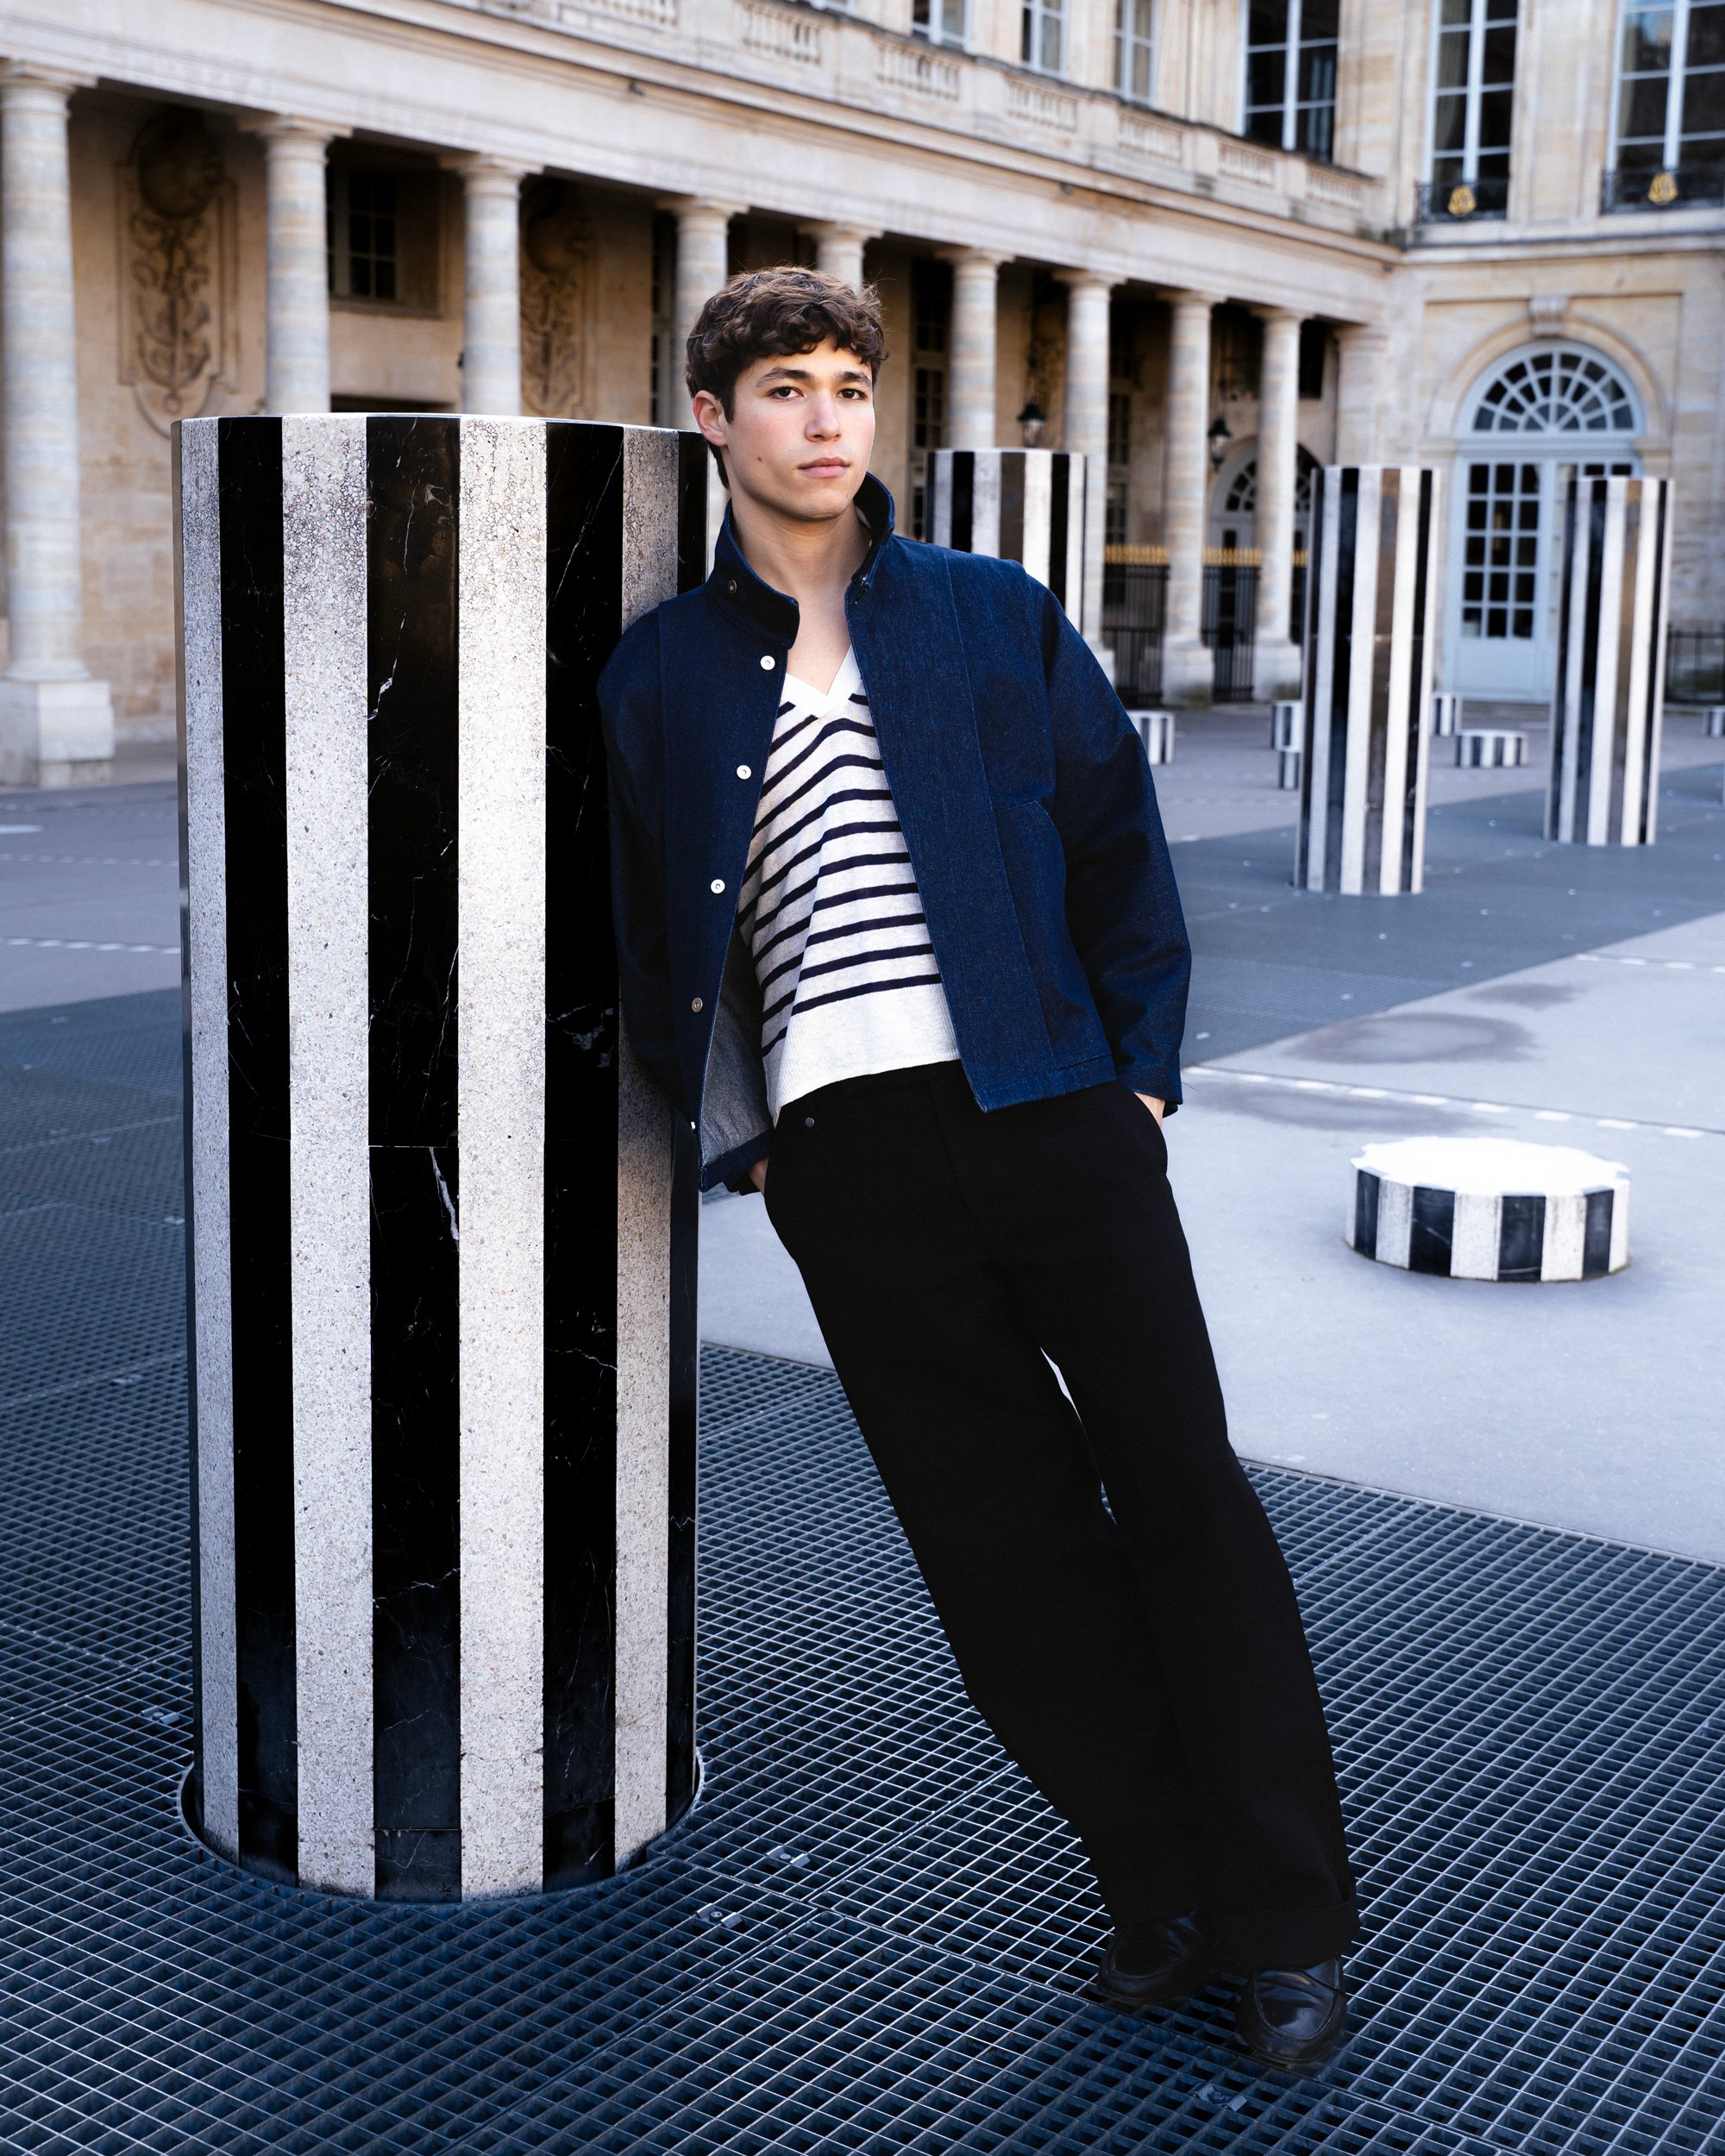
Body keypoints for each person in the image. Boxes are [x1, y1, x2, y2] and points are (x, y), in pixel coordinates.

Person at [597, 266, 1356, 2073]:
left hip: (1055, 1113)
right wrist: (754, 1139)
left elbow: (1114, 844)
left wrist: (1138, 1083)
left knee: (1181, 1492)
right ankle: (1156, 1878)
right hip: (847, 1153)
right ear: (714, 420)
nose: (825, 415)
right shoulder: (660, 670)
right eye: (783, 386)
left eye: (849, 383)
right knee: (996, 1545)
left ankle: (1289, 1915)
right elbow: (645, 927)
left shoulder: (990, 614)